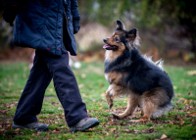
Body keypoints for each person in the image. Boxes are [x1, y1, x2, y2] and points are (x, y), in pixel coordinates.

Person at [3, 0, 99, 132]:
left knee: (41, 72)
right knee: (61, 66)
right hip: (41, 22)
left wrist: (74, 20)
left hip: (57, 23)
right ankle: (77, 117)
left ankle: (24, 117)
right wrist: (10, 10)